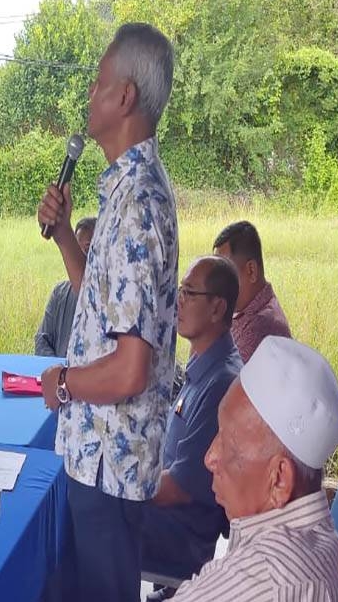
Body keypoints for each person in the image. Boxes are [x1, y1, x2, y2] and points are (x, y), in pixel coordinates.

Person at [36, 23, 180, 602]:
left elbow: (129, 371)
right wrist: (68, 235)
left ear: (125, 97)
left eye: (97, 83)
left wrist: (64, 382)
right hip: (95, 457)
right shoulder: (122, 191)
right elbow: (100, 302)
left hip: (111, 465)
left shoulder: (141, 202)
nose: (89, 96)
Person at [172, 337, 338, 601]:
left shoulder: (264, 577)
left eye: (228, 443)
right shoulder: (321, 540)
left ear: (279, 480)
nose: (210, 458)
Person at [141, 256, 242, 600]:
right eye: (180, 291)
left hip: (179, 535)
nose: (178, 301)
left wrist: (119, 484)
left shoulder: (220, 383)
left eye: (188, 293)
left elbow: (179, 489)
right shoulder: (204, 365)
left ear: (217, 309)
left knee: (88, 516)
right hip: (166, 515)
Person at [212, 221, 291, 363]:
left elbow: (227, 382)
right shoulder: (246, 310)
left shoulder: (259, 329)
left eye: (225, 272)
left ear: (251, 270)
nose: (217, 284)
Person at [34, 217, 96, 357]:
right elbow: (42, 339)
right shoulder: (60, 293)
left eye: (86, 250)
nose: (75, 258)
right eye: (74, 250)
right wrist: (57, 372)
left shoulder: (108, 300)